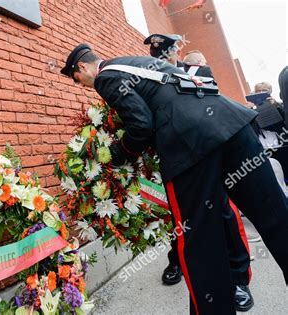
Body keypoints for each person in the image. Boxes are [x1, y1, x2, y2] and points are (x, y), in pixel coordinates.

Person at [60, 43, 288, 315]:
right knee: (276, 216)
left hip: (191, 147)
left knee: (202, 242)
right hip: (233, 126)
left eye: (77, 79)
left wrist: (119, 153)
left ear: (82, 67)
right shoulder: (136, 62)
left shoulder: (106, 77)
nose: (83, 85)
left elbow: (141, 125)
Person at [143, 36, 254, 311]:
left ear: (175, 52)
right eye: (158, 54)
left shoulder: (197, 72)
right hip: (175, 162)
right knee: (179, 220)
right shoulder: (146, 77)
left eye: (166, 53)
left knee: (225, 216)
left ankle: (238, 278)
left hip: (208, 156)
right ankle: (176, 262)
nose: (162, 58)